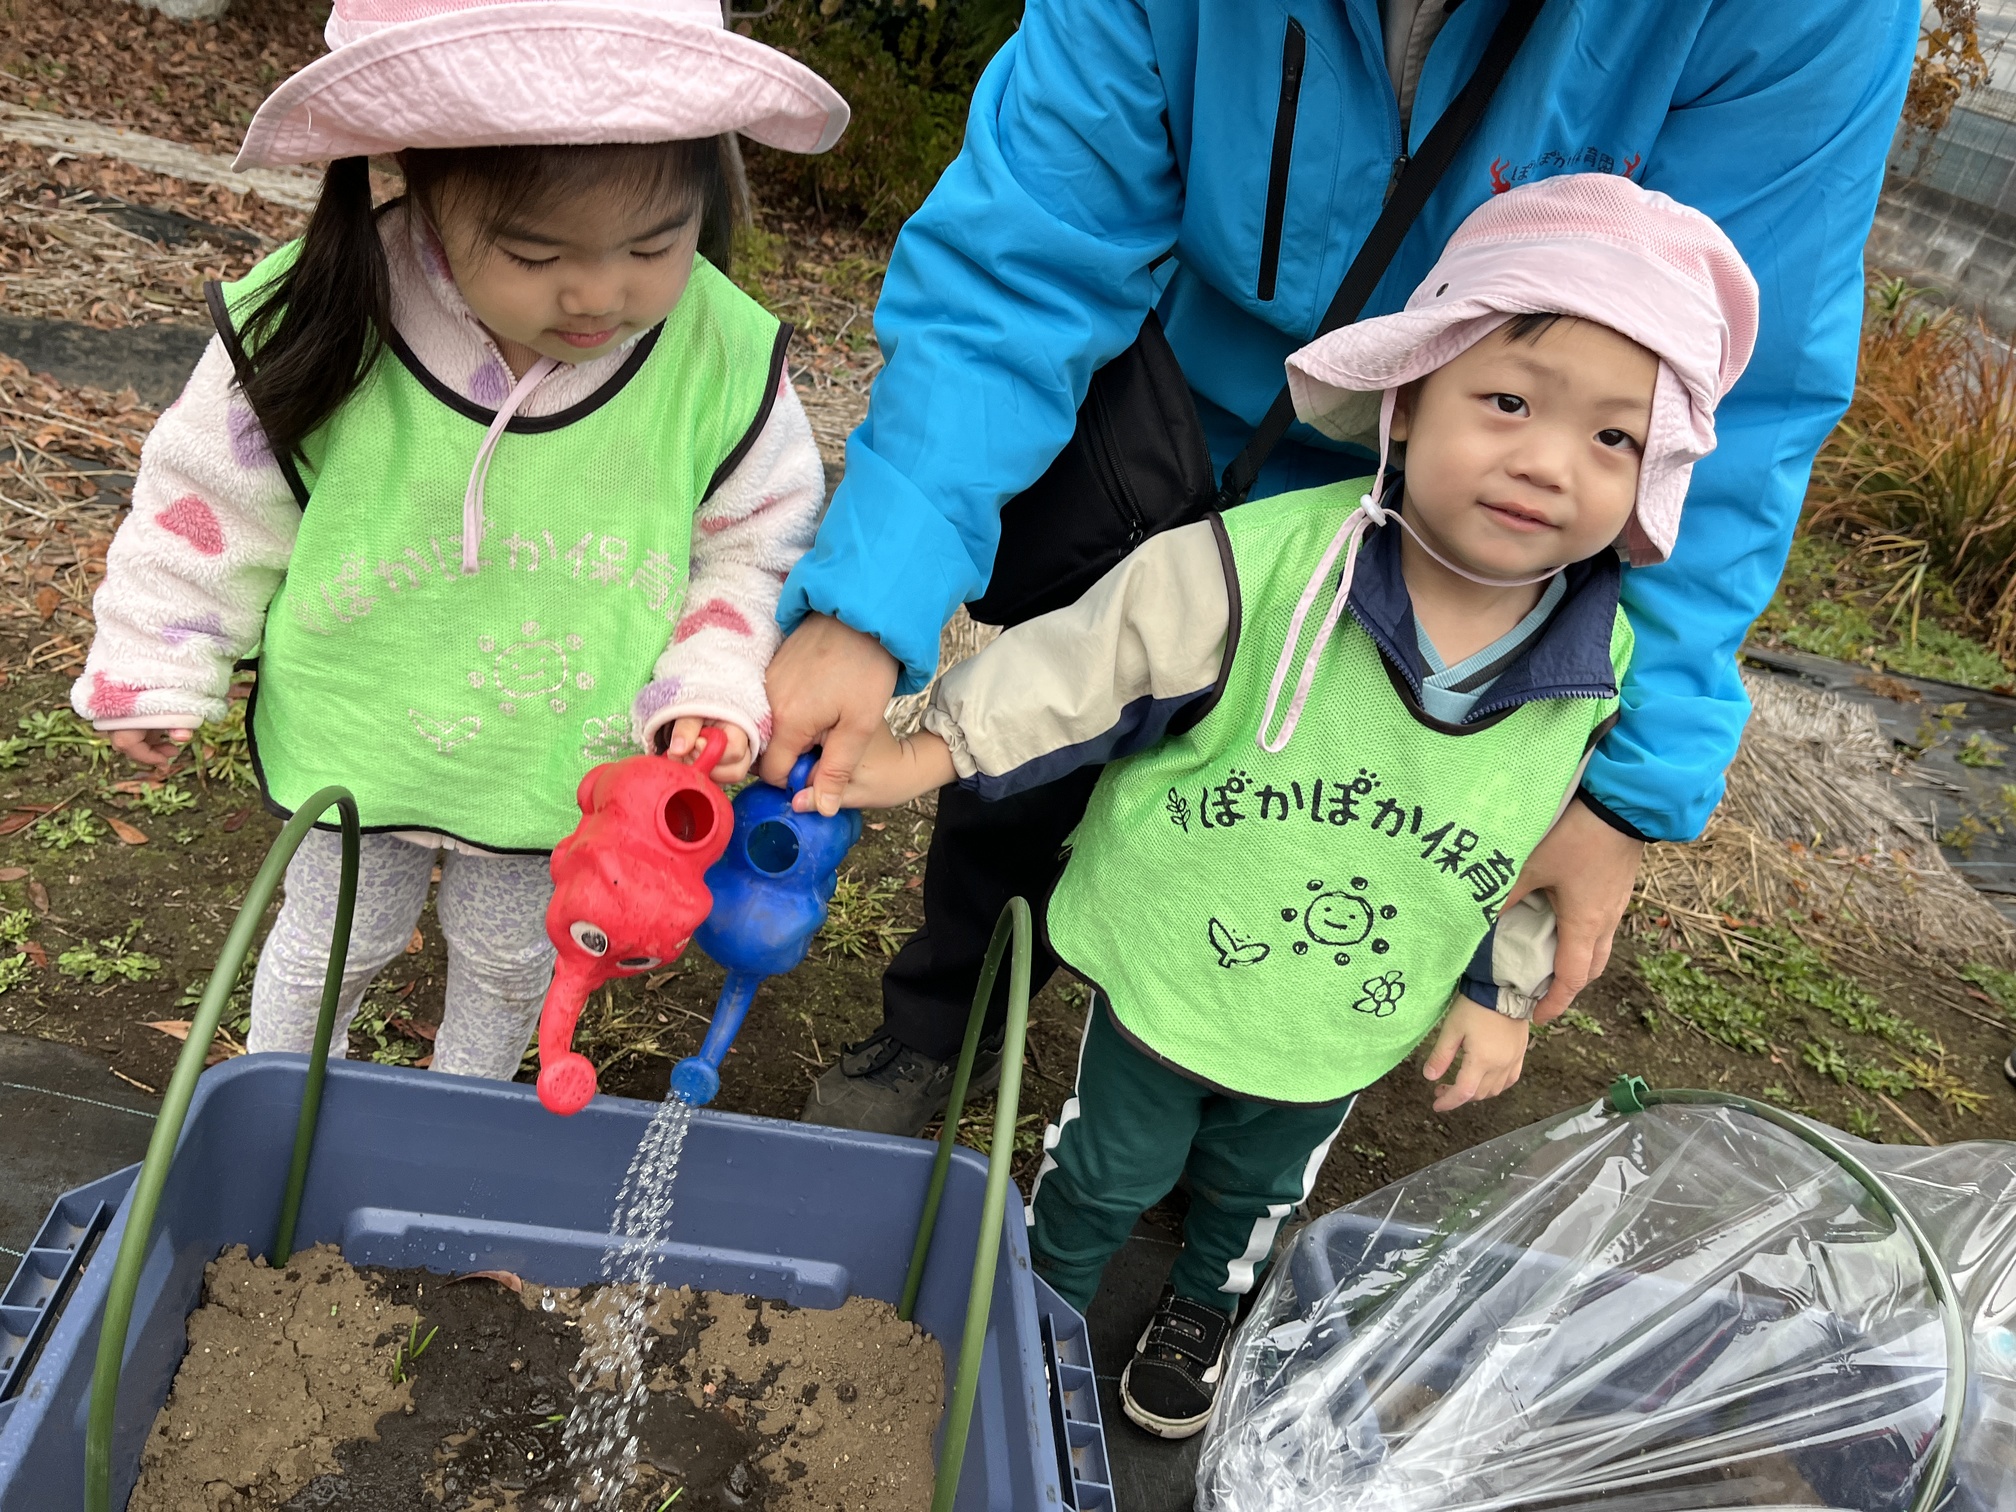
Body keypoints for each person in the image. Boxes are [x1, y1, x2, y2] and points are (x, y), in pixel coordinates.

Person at [768, 0, 1920, 1136]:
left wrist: (1628, 788)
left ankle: (1238, 1098)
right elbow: (1027, 251)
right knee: (1049, 744)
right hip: (1192, 430)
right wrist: (870, 605)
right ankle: (950, 1019)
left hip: (1474, 531)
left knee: (1341, 829)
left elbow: (1734, 407)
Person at [807, 175, 1757, 1436]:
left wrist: (1499, 991)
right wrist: (928, 749)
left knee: (1261, 1187)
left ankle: (1204, 1301)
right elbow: (1092, 660)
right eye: (1510, 402)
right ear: (1408, 402)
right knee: (1105, 1168)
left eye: (1614, 439)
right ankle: (1043, 1305)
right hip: (1173, 967)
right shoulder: (1265, 564)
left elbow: (1530, 840)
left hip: (1347, 1011)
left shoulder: (1601, 663)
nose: (1546, 461)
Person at [71, 0, 847, 1080]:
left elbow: (755, 544)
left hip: (560, 755)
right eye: (533, 252)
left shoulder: (718, 354)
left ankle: (463, 1114)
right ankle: (287, 1102)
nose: (599, 292)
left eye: (653, 245)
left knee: (513, 959)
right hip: (362, 721)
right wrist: (158, 657)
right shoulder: (329, 308)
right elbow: (211, 499)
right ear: (422, 183)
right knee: (333, 942)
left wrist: (713, 684)